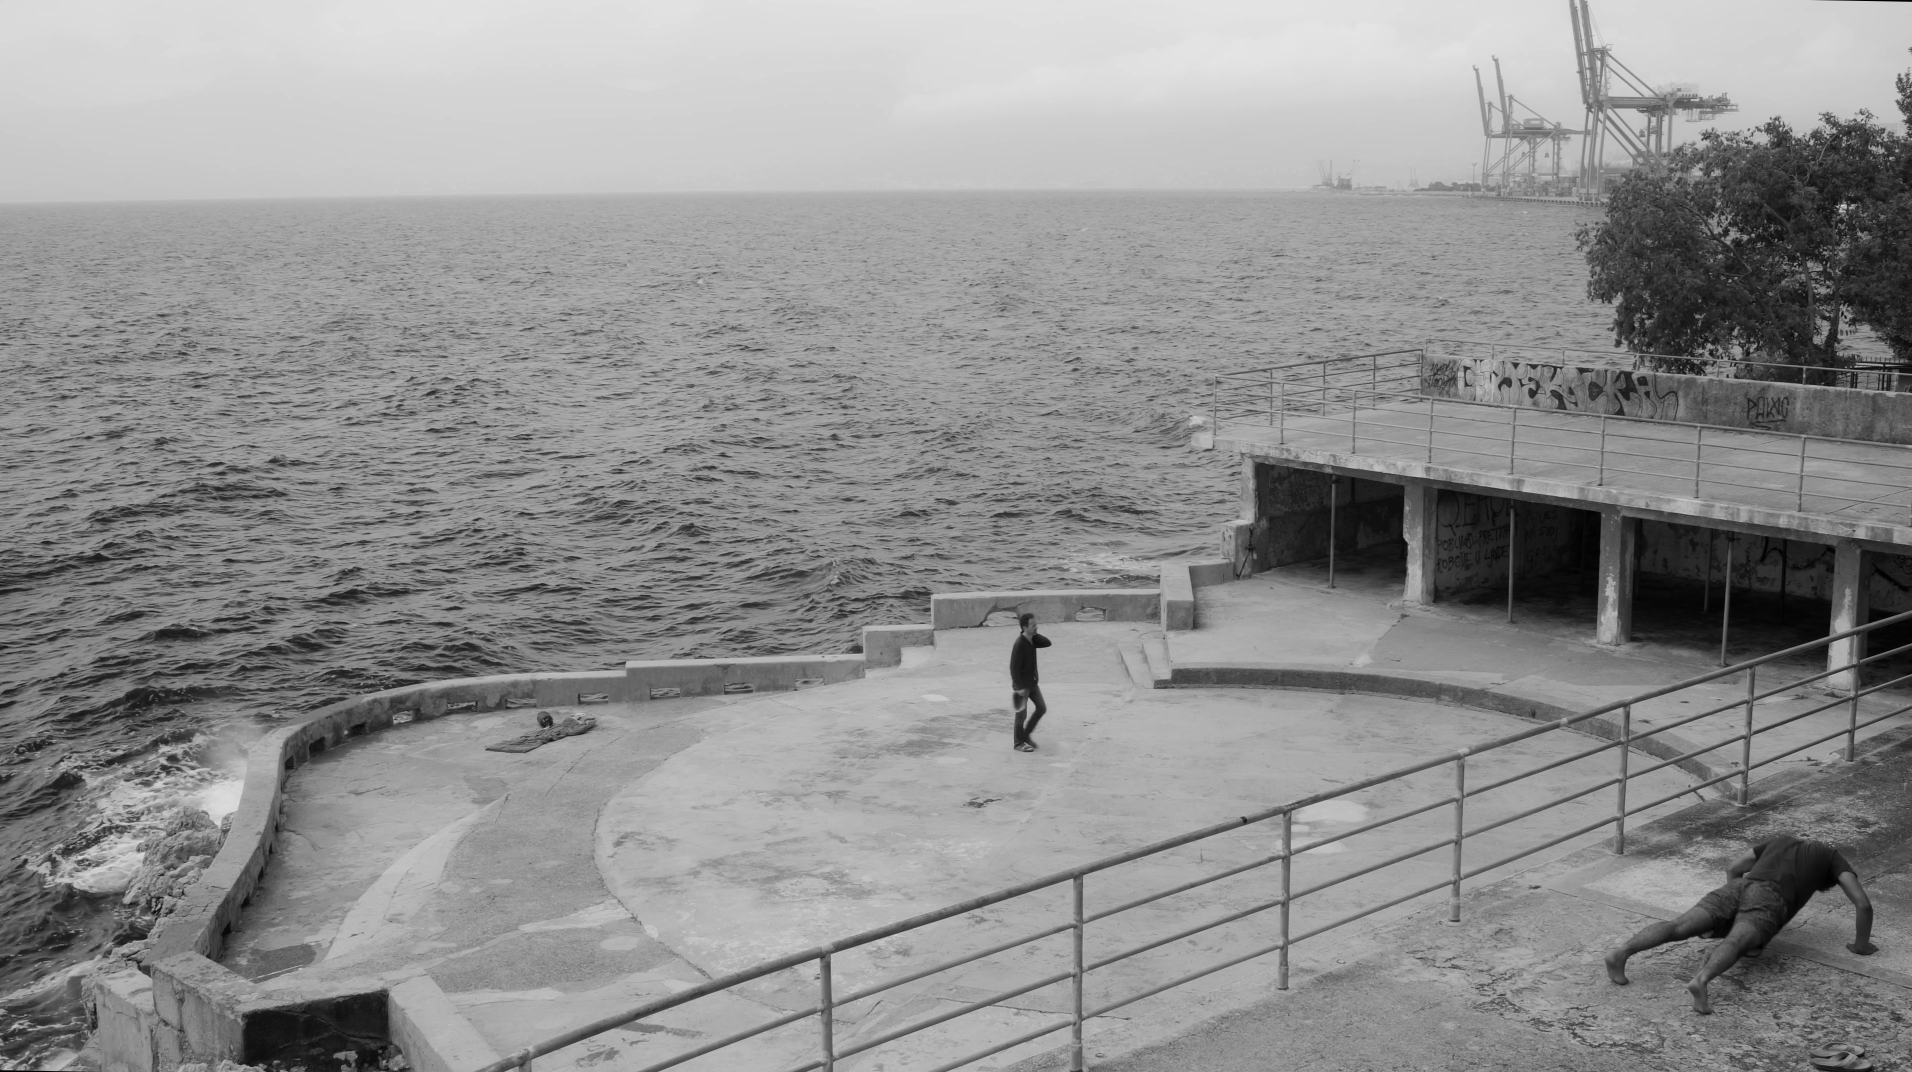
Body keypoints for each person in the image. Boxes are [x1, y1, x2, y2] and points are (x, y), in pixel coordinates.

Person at [1604, 833, 1875, 1013]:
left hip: (1740, 886)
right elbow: (1863, 904)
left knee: (1679, 925)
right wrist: (1861, 946)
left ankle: (1620, 953)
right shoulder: (1832, 858)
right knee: (1736, 941)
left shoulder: (1780, 840)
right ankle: (1701, 979)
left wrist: (1734, 907)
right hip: (1770, 897)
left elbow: (1734, 868)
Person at [1008, 613, 1052, 752]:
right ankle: (1018, 743)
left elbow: (1047, 643)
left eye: (1036, 625)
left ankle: (1025, 735)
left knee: (1041, 708)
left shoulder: (1032, 640)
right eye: (1033, 625)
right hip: (1022, 686)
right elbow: (1013, 667)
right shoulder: (1019, 644)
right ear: (1025, 627)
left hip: (1032, 684)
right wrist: (1018, 687)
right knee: (1021, 715)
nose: (1036, 627)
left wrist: (1034, 634)